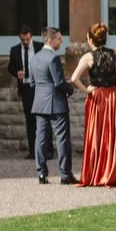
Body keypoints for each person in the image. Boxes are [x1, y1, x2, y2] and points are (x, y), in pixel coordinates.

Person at [69, 22, 116, 187]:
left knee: (97, 137)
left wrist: (87, 89)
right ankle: (114, 173)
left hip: (97, 99)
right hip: (112, 98)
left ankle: (97, 174)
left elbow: (74, 78)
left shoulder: (87, 57)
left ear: (90, 39)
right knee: (114, 138)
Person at [29, 25, 76, 185]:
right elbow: (59, 83)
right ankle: (65, 174)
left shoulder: (34, 58)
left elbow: (32, 82)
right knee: (62, 139)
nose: (61, 42)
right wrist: (70, 89)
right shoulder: (53, 58)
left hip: (40, 102)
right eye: (59, 39)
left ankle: (41, 173)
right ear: (50, 40)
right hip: (56, 103)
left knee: (41, 139)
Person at [7, 26, 43, 159]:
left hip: (39, 87)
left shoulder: (40, 47)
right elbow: (10, 67)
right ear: (19, 38)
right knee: (30, 119)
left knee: (43, 118)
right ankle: (33, 150)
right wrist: (17, 73)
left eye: (27, 39)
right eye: (23, 40)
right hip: (26, 87)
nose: (26, 42)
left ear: (31, 36)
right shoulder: (15, 50)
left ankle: (47, 150)